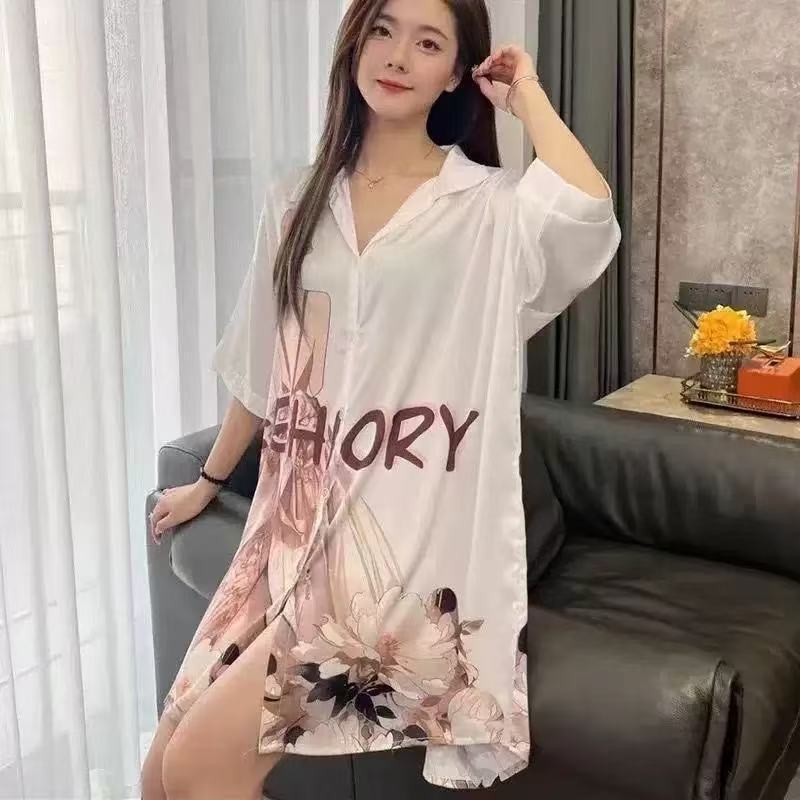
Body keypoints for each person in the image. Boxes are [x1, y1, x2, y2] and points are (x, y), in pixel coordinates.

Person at [141, 0, 621, 797]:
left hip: (400, 550)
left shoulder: (484, 209)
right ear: (354, 43)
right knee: (157, 776)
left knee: (196, 770)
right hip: (290, 531)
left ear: (454, 73)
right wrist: (211, 479)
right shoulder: (296, 201)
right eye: (383, 30)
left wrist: (527, 95)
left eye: (428, 43)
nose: (398, 55)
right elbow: (267, 368)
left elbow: (585, 208)